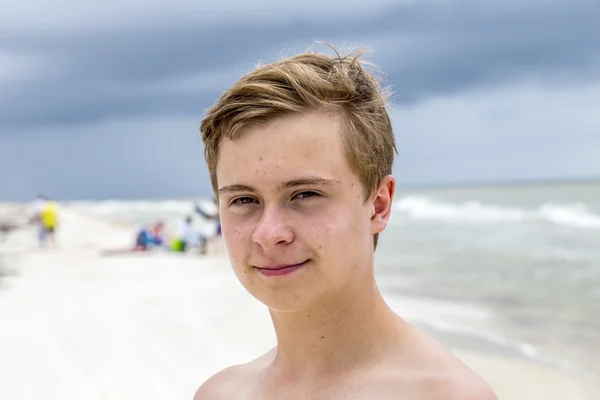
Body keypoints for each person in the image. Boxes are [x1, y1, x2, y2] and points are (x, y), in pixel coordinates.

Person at [193, 45, 498, 399]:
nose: (269, 234)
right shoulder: (220, 393)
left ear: (378, 205)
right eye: (244, 200)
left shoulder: (445, 394)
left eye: (305, 194)